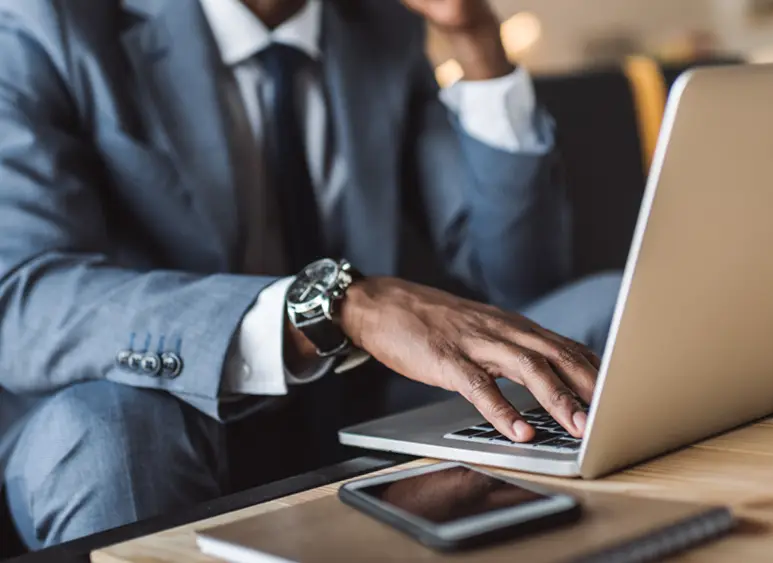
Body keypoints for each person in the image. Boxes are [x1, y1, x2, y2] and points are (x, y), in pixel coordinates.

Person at [0, 0, 621, 550]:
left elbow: (520, 280)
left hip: (354, 400)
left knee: (608, 310)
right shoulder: (46, 23)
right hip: (161, 418)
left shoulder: (378, 26)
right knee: (110, 432)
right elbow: (23, 299)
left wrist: (476, 39)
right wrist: (335, 307)